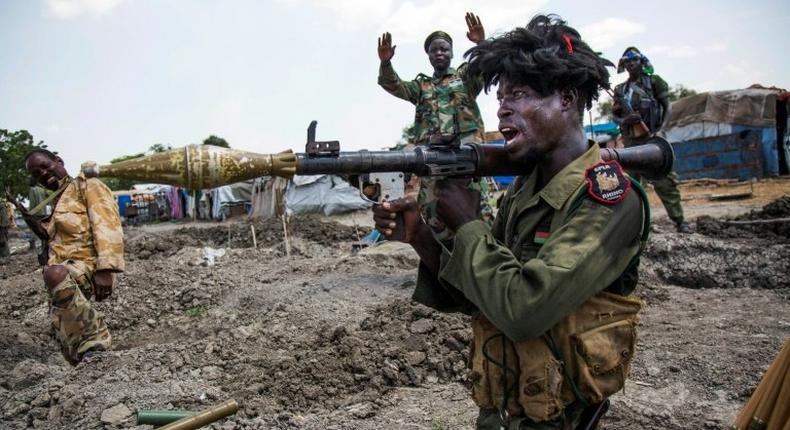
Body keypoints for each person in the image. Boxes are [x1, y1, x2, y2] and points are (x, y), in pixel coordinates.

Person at [373, 15, 649, 429]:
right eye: (500, 96)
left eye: (518, 94)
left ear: (568, 99)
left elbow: (522, 310)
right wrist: (421, 237)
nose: (502, 107)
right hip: (505, 411)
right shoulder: (525, 190)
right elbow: (481, 295)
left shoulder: (608, 198)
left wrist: (468, 223)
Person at [377, 12, 493, 245]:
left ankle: (485, 253)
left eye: (444, 49)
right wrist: (386, 62)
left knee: (478, 205)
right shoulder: (421, 86)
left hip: (467, 155)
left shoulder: (465, 78)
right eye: (434, 50)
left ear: (451, 53)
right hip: (432, 158)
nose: (440, 53)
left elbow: (488, 65)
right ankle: (441, 258)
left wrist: (482, 44)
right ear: (428, 55)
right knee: (431, 209)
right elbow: (394, 85)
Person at [18, 149, 124, 365]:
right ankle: (84, 363)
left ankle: (96, 344)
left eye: (45, 166)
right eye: (37, 174)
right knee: (62, 324)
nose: (43, 174)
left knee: (55, 275)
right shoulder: (59, 198)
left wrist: (105, 269)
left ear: (59, 161)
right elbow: (58, 235)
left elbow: (107, 224)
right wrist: (33, 222)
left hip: (87, 265)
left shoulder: (88, 186)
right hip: (65, 268)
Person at [612, 47, 691, 233]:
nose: (631, 64)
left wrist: (661, 132)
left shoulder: (654, 82)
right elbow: (614, 116)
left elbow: (667, 108)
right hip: (631, 143)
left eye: (634, 60)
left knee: (665, 182)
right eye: (627, 61)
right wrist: (625, 120)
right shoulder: (620, 90)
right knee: (630, 186)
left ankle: (679, 221)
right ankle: (636, 226)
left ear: (642, 62)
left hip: (652, 139)